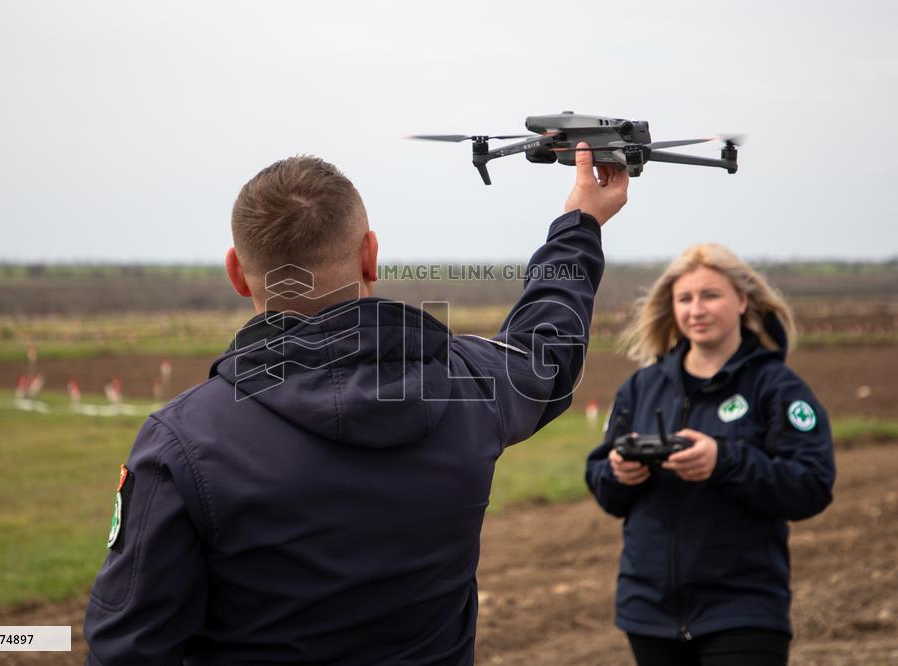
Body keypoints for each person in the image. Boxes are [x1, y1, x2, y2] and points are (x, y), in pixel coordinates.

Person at [83, 144, 629, 665]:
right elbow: (544, 352)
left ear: (235, 272)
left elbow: (129, 646)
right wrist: (580, 224)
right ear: (371, 255)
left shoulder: (181, 441)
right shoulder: (464, 384)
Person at [585, 244, 836, 665]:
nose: (696, 309)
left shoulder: (777, 388)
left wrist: (724, 461)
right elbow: (603, 484)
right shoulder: (641, 387)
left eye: (710, 295)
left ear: (742, 301)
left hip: (744, 611)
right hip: (648, 613)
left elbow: (811, 485)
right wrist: (618, 474)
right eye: (685, 298)